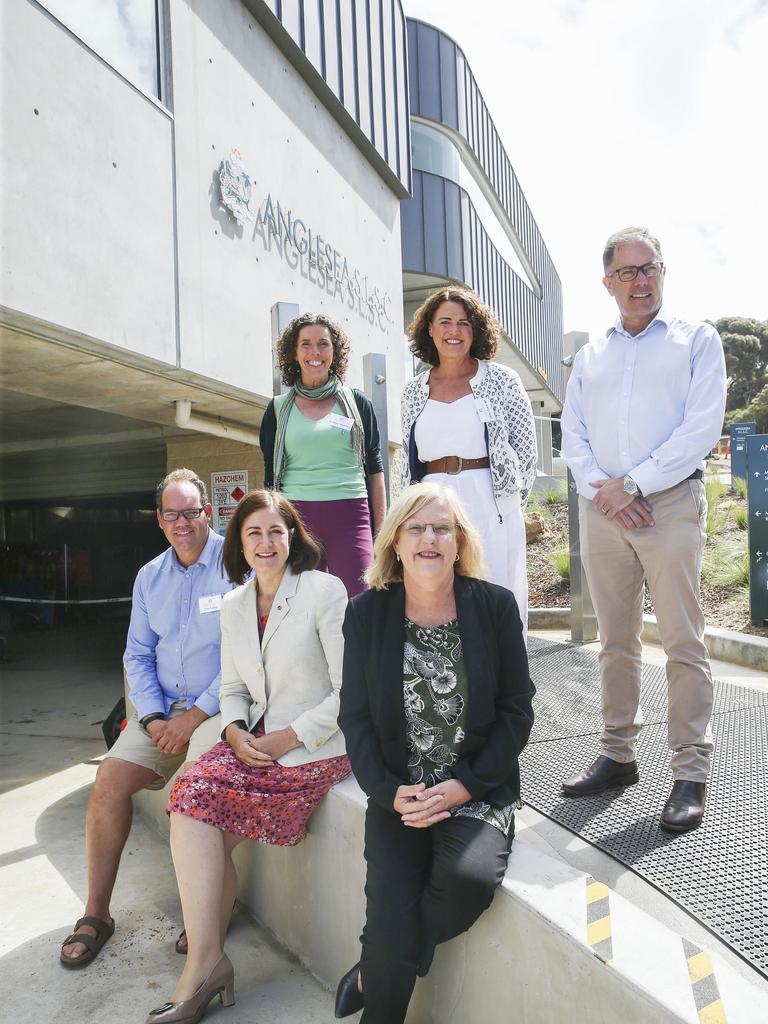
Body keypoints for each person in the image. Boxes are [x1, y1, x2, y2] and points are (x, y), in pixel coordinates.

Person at [145, 490, 350, 1024]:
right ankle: (210, 960)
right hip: (250, 745)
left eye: (275, 532)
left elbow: (350, 692)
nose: (265, 543)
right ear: (239, 542)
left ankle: (203, 970)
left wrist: (286, 738)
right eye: (253, 533)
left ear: (292, 537)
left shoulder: (324, 591)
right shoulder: (236, 604)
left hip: (311, 747)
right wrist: (234, 732)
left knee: (197, 814)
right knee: (189, 795)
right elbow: (233, 686)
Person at [335, 482, 534, 1022]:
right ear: (394, 542)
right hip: (400, 793)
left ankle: (374, 968)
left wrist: (465, 785)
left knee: (463, 886)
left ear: (459, 541)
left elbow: (518, 710)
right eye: (416, 528)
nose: (429, 538)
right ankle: (381, 978)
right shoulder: (366, 615)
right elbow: (353, 719)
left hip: (475, 790)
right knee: (391, 911)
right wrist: (389, 792)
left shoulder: (494, 607)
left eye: (441, 528)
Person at [560, 226, 727, 833]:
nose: (641, 280)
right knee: (616, 641)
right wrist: (605, 489)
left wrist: (633, 484)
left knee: (683, 641)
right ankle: (617, 756)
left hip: (669, 507)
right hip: (604, 513)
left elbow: (702, 426)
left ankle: (690, 773)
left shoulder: (696, 341)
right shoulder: (591, 355)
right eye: (628, 272)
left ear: (664, 271)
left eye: (650, 267)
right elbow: (571, 432)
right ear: (607, 282)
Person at [60, 468, 234, 968]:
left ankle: (209, 914)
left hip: (218, 711)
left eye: (192, 511)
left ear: (207, 511)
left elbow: (244, 657)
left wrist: (193, 716)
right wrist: (155, 716)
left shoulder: (235, 566)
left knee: (195, 801)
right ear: (159, 520)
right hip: (161, 713)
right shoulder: (148, 576)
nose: (184, 522)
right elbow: (137, 653)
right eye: (173, 513)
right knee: (108, 781)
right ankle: (97, 913)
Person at [400, 286, 537, 628]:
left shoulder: (502, 380)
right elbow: (407, 459)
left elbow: (526, 451)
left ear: (475, 330)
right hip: (431, 509)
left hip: (490, 505)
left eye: (464, 323)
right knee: (437, 598)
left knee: (496, 596)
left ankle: (506, 680)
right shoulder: (413, 391)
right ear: (429, 328)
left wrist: (508, 506)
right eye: (445, 321)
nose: (454, 331)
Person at [260, 312, 386, 597]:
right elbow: (270, 481)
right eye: (305, 344)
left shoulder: (357, 403)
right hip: (297, 521)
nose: (314, 352)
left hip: (351, 518)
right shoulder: (277, 410)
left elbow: (375, 471)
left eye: (323, 344)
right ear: (293, 352)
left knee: (360, 602)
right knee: (303, 610)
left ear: (335, 351)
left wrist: (382, 534)